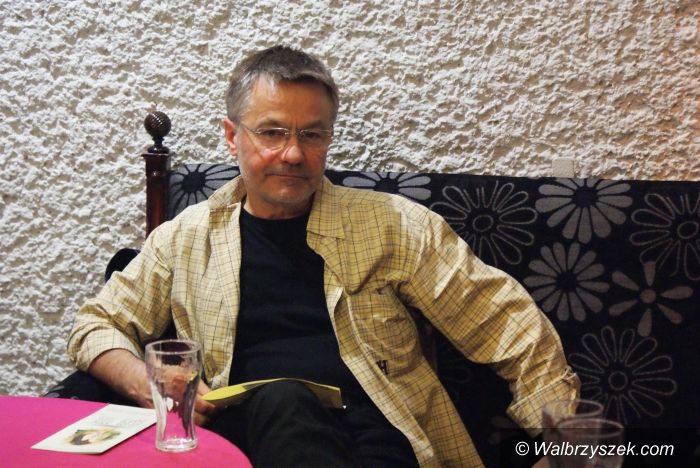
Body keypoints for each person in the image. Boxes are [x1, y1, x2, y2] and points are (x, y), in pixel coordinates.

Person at [68, 45, 579, 467]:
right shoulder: (184, 238)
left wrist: (564, 450)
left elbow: (511, 330)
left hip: (381, 437)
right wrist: (152, 384)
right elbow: (96, 325)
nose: (293, 153)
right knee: (285, 399)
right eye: (272, 132)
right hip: (248, 437)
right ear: (232, 136)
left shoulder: (395, 227)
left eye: (311, 134)